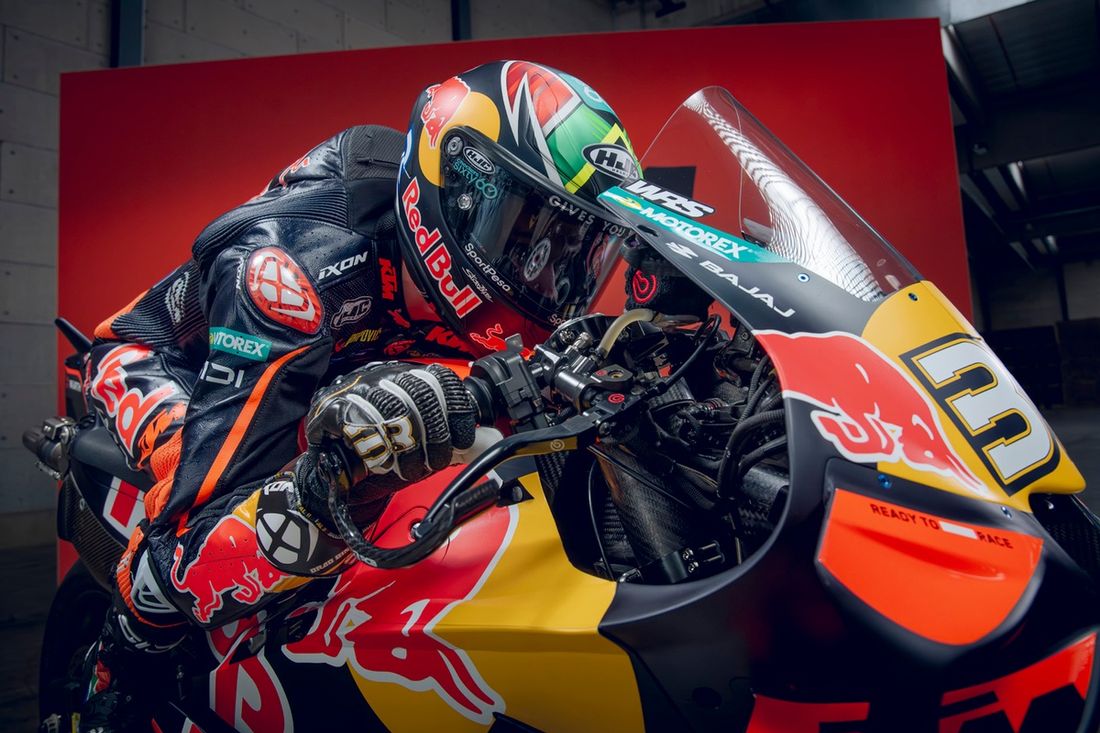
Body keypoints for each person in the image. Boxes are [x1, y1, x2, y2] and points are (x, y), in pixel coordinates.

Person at [76, 60, 640, 731]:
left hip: (345, 348)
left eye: (572, 254)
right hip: (167, 361)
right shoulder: (290, 272)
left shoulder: (439, 275)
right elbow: (194, 552)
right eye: (527, 239)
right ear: (456, 192)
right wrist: (330, 486)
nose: (546, 278)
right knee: (206, 547)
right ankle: (117, 676)